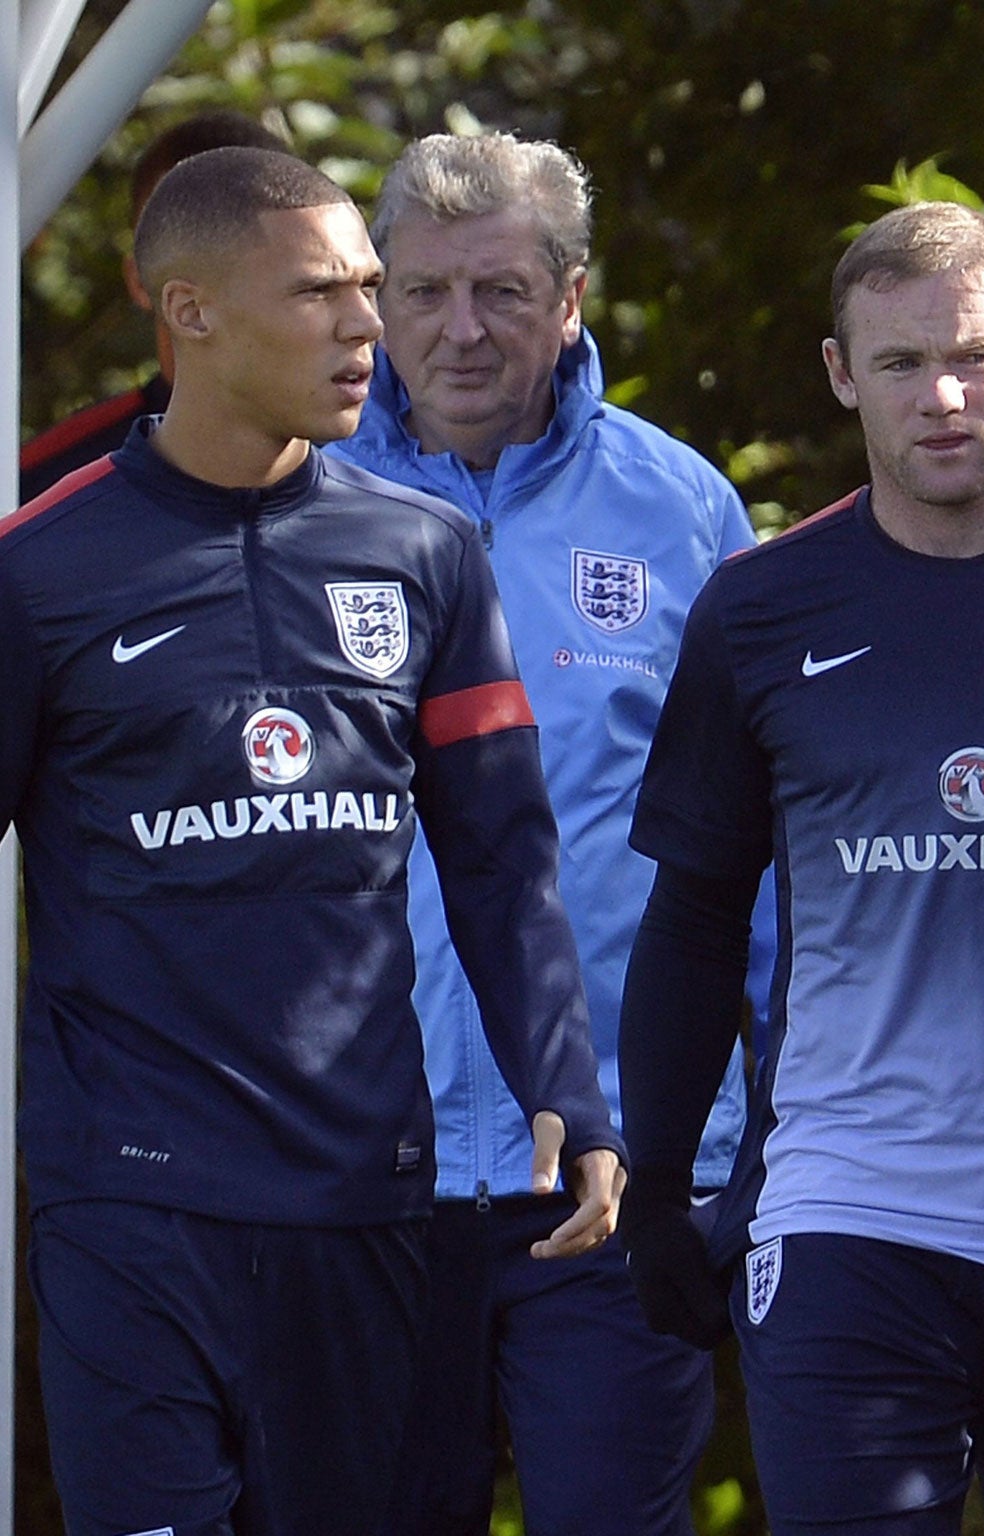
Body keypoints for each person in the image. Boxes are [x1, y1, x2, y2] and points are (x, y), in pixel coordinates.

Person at [0, 146, 625, 1536]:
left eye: (364, 290)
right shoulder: (38, 571)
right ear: (191, 312)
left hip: (368, 1201)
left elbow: (503, 858)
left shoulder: (425, 554)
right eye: (320, 295)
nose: (365, 329)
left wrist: (567, 1097)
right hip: (133, 1203)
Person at [617, 200, 984, 1536]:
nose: (943, 396)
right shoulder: (763, 607)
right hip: (847, 1214)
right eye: (899, 364)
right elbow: (698, 913)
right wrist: (660, 1181)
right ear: (841, 374)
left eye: (977, 357)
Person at [326, 130, 760, 1536]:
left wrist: (743, 1135)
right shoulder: (297, 502)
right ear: (378, 301)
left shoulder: (683, 511)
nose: (463, 331)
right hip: (359, 1174)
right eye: (428, 291)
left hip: (614, 1167)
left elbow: (753, 851)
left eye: (503, 291)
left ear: (570, 297)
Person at [19, 109, 292, 502]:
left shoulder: (383, 464)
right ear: (138, 278)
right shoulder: (46, 487)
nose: (222, 272)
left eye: (252, 240)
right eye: (189, 236)